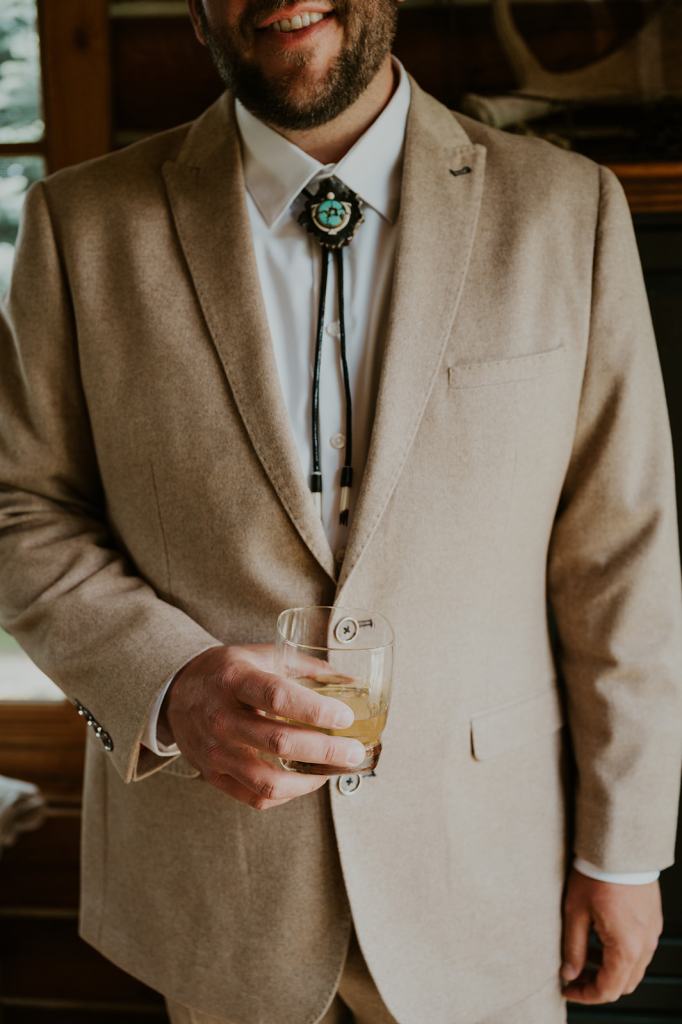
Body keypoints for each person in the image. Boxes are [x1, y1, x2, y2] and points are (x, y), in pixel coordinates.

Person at [0, 1, 680, 1022]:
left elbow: (620, 553)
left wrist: (622, 851)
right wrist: (170, 682)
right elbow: (20, 509)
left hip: (491, 875)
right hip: (216, 892)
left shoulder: (565, 209)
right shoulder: (79, 224)